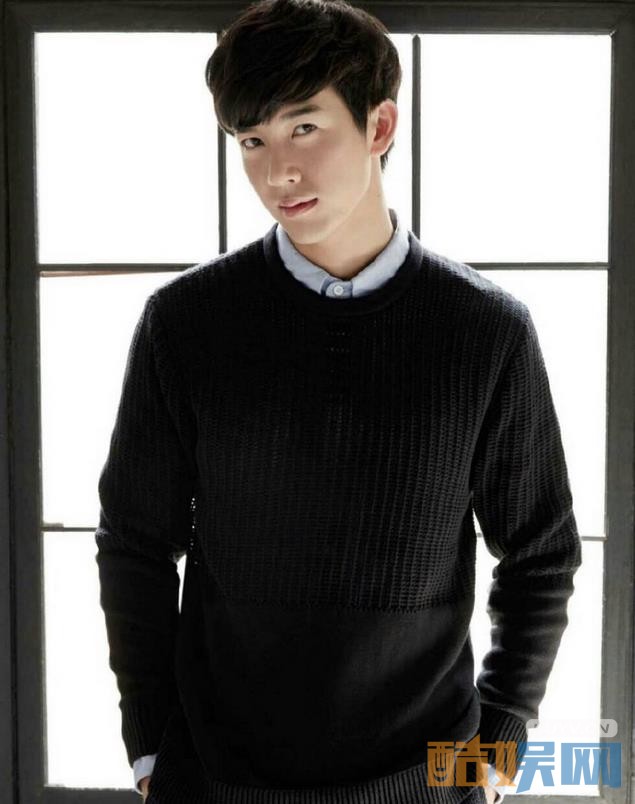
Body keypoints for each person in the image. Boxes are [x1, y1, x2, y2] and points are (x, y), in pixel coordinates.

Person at [94, 1, 582, 802]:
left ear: (379, 124)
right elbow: (134, 544)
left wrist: (497, 746)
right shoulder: (184, 324)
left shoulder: (485, 331)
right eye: (252, 141)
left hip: (425, 779)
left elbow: (539, 556)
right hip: (215, 778)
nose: (276, 172)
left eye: (304, 128)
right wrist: (148, 747)